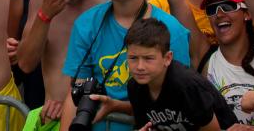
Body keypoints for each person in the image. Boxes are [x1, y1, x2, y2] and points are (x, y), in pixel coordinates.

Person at [60, 0, 190, 131]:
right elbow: (74, 95)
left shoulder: (173, 31)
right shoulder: (87, 23)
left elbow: (180, 103)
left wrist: (121, 108)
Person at [15, 0, 106, 123]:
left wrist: (70, 103)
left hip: (91, 118)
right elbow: (25, 63)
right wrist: (45, 16)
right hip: (50, 116)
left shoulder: (105, 0)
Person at [88, 18, 239, 130]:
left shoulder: (186, 85)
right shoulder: (135, 87)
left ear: (167, 58)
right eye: (133, 58)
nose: (140, 67)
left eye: (148, 58)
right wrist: (114, 106)